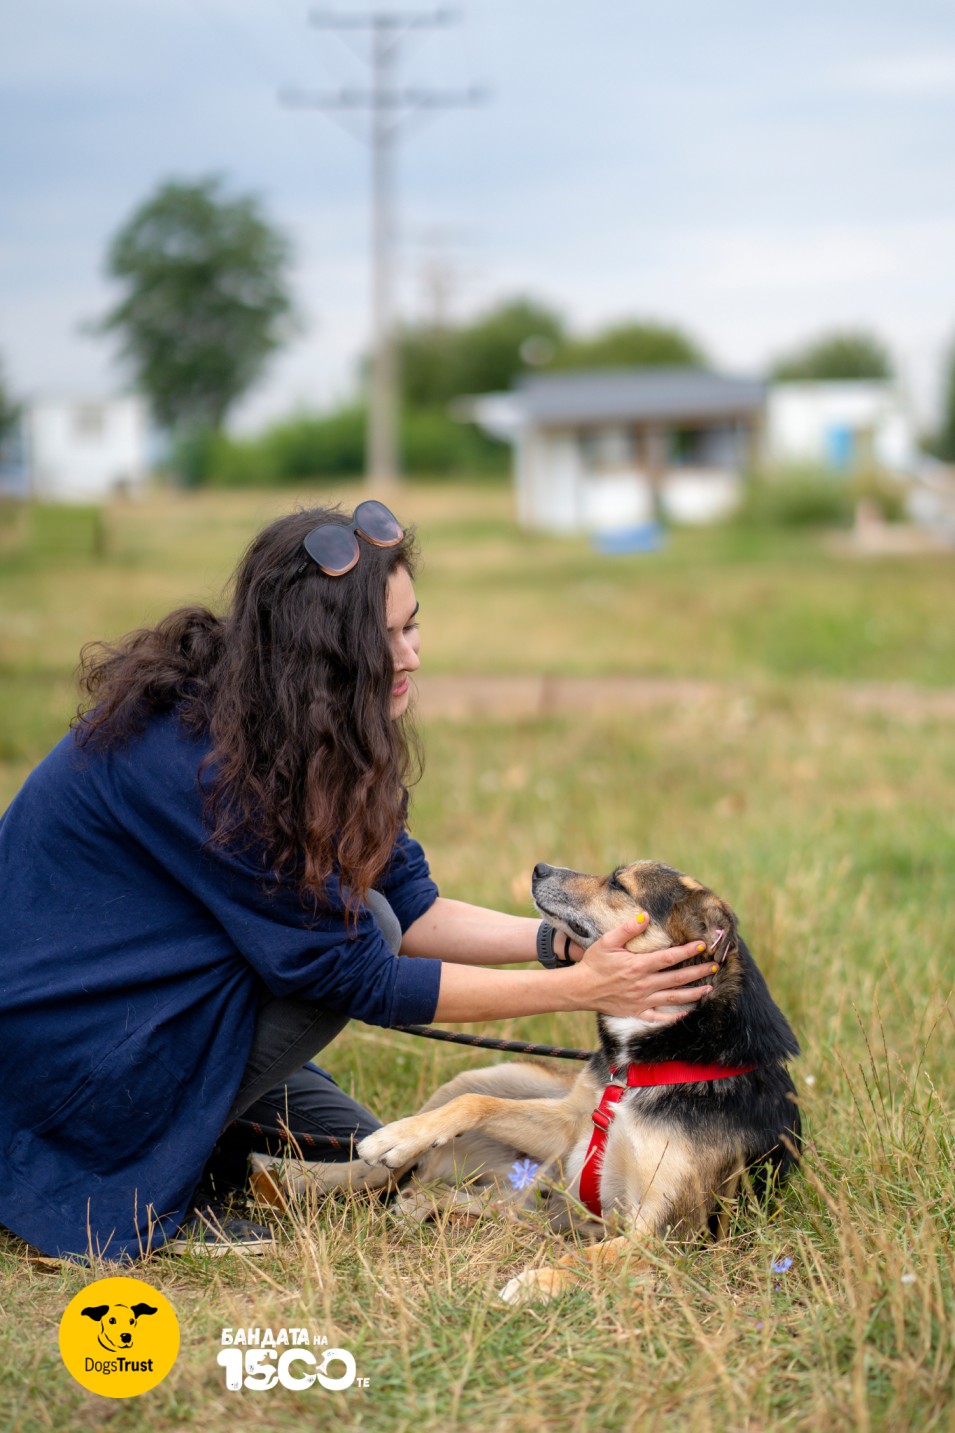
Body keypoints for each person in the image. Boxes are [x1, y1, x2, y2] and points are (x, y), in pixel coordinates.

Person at [0, 501, 714, 1262]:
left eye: (412, 626)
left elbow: (415, 906)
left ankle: (191, 1136)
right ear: (317, 652)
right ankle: (129, 1189)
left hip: (148, 1013)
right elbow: (354, 969)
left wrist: (561, 948)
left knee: (361, 1149)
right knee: (359, 930)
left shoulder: (289, 725)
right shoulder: (204, 763)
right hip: (57, 1064)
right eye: (383, 639)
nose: (408, 655)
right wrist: (580, 991)